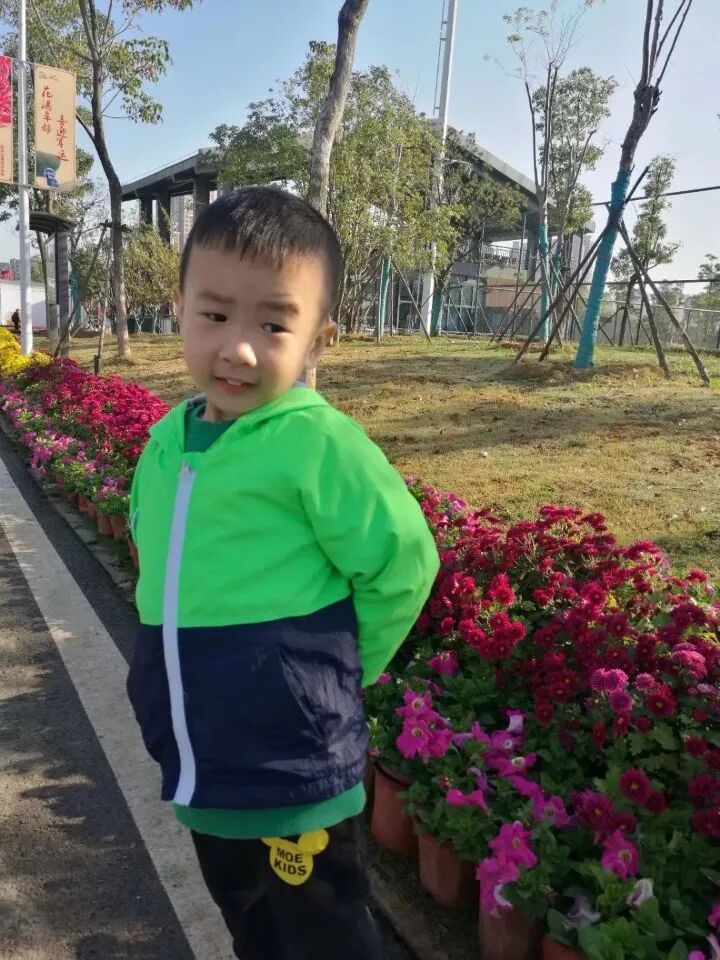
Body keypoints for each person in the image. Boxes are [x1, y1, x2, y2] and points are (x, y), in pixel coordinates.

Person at [126, 187, 440, 960]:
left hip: (291, 765)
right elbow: (152, 560)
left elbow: (404, 561)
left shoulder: (318, 444)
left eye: (273, 325)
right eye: (214, 314)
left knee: (325, 937)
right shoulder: (165, 444)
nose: (238, 348)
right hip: (203, 762)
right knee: (251, 926)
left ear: (318, 340)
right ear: (179, 309)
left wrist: (334, 672)